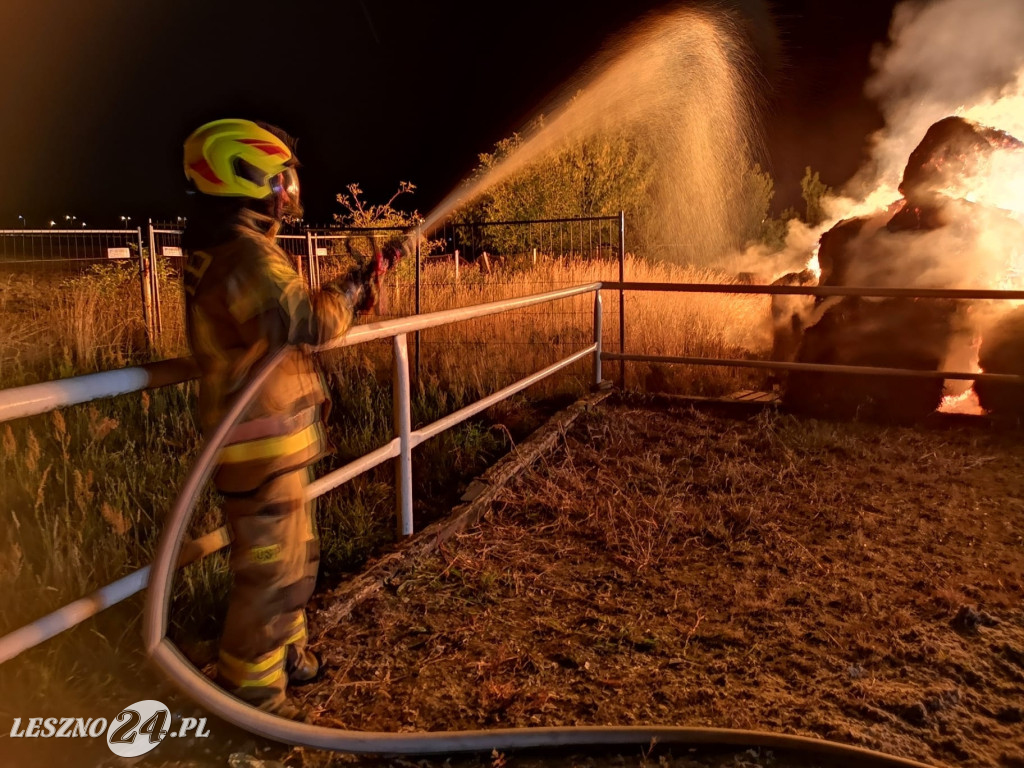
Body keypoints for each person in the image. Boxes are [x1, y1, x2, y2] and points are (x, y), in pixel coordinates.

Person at [181, 118, 378, 715]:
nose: (287, 189)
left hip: (273, 448)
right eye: (280, 177)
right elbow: (301, 321)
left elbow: (285, 317)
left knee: (297, 562)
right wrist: (348, 296)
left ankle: (289, 655)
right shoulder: (243, 253)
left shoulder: (235, 249)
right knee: (268, 581)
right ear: (249, 174)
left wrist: (351, 291)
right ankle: (254, 701)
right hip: (259, 452)